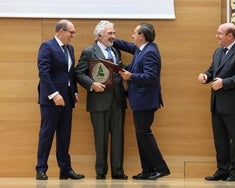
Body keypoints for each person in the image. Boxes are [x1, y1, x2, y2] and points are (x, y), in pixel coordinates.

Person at [113, 23, 170, 180]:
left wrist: (130, 76)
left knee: (144, 133)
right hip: (140, 100)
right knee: (141, 135)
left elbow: (151, 77)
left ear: (141, 36)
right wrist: (111, 39)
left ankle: (161, 168)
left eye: (134, 33)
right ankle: (147, 170)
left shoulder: (150, 52)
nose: (132, 36)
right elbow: (126, 45)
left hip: (146, 101)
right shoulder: (142, 49)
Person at [74, 20, 128, 180]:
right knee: (100, 139)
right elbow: (78, 73)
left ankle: (118, 172)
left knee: (118, 138)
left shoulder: (116, 51)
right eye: (110, 33)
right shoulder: (89, 51)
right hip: (98, 102)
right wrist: (92, 84)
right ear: (100, 35)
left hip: (118, 100)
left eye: (114, 33)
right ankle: (101, 172)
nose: (113, 36)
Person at [197, 23, 235, 181]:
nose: (216, 36)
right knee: (220, 141)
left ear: (230, 36)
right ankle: (222, 170)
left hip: (234, 105)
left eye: (219, 34)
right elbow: (212, 70)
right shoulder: (218, 51)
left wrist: (224, 83)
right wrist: (206, 76)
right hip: (217, 104)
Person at [36, 19, 85, 180]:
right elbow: (44, 73)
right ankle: (41, 169)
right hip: (51, 100)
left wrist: (74, 92)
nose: (73, 35)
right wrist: (54, 94)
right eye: (71, 32)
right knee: (47, 134)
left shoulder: (69, 49)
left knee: (64, 135)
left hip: (67, 99)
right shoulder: (47, 46)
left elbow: (70, 74)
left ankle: (65, 169)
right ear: (61, 31)